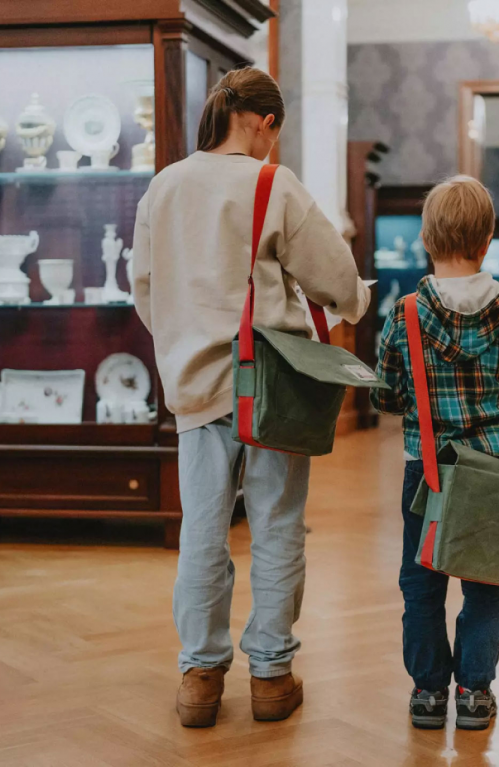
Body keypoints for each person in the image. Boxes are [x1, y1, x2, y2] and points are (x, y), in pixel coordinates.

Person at [132, 67, 370, 728]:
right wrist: (358, 299)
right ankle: (270, 675)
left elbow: (144, 288)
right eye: (275, 131)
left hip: (195, 388)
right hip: (271, 387)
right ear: (265, 121)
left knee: (202, 532)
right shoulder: (272, 184)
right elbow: (334, 278)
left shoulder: (165, 185)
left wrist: (187, 340)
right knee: (277, 527)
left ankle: (200, 679)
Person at [370, 176, 499, 731]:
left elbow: (385, 395)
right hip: (494, 470)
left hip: (428, 472)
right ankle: (474, 692)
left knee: (420, 585)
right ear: (489, 238)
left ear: (426, 238)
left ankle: (428, 691)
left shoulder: (403, 314)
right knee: (483, 585)